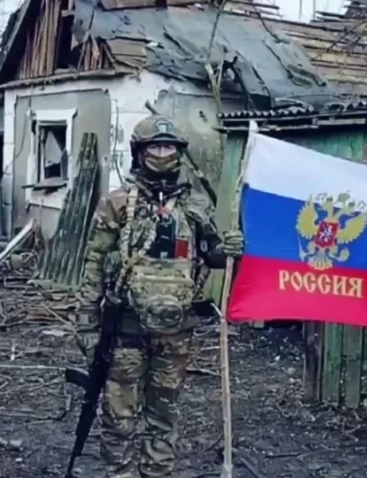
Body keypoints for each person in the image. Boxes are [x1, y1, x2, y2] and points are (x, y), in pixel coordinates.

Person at [74, 115, 244, 478]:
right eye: (155, 146)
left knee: (164, 416)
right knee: (119, 418)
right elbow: (94, 265)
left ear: (179, 152)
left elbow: (213, 255)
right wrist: (86, 324)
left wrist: (231, 248)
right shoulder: (117, 203)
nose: (162, 153)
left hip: (175, 333)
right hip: (125, 331)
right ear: (140, 151)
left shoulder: (195, 205)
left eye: (168, 147)